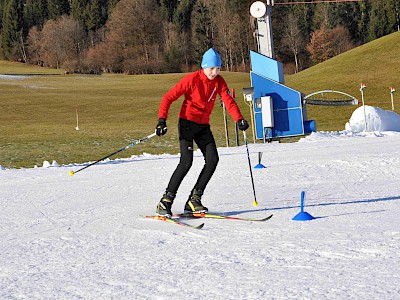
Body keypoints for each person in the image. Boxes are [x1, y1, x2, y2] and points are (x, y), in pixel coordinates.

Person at [155, 48, 249, 218]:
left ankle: (194, 199)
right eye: (211, 68)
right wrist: (162, 120)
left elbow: (229, 101)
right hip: (187, 124)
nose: (214, 72)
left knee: (213, 159)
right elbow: (168, 97)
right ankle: (165, 201)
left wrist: (239, 119)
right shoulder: (192, 79)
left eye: (218, 68)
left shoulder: (219, 82)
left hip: (203, 125)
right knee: (186, 162)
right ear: (204, 67)